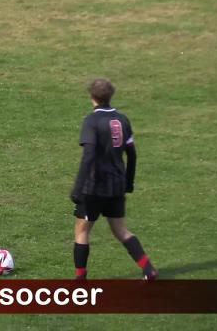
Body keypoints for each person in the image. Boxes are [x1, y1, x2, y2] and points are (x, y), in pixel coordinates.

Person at [70, 78, 158, 280]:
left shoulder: (91, 121)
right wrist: (129, 182)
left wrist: (78, 187)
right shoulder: (122, 119)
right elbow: (132, 154)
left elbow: (89, 156)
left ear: (91, 96)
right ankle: (148, 269)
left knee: (82, 231)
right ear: (110, 96)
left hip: (93, 187)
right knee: (120, 230)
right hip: (116, 185)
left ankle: (80, 278)